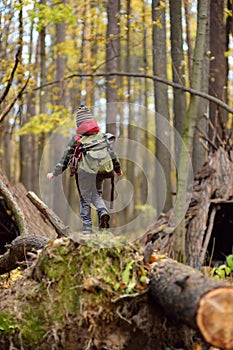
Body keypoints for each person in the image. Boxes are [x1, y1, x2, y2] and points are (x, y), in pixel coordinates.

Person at [47, 105, 122, 234]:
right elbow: (113, 155)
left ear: (79, 124)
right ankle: (103, 213)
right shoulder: (102, 137)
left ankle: (87, 229)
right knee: (97, 195)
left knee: (85, 198)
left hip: (85, 173)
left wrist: (55, 173)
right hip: (101, 171)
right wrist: (118, 169)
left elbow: (66, 158)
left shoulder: (78, 139)